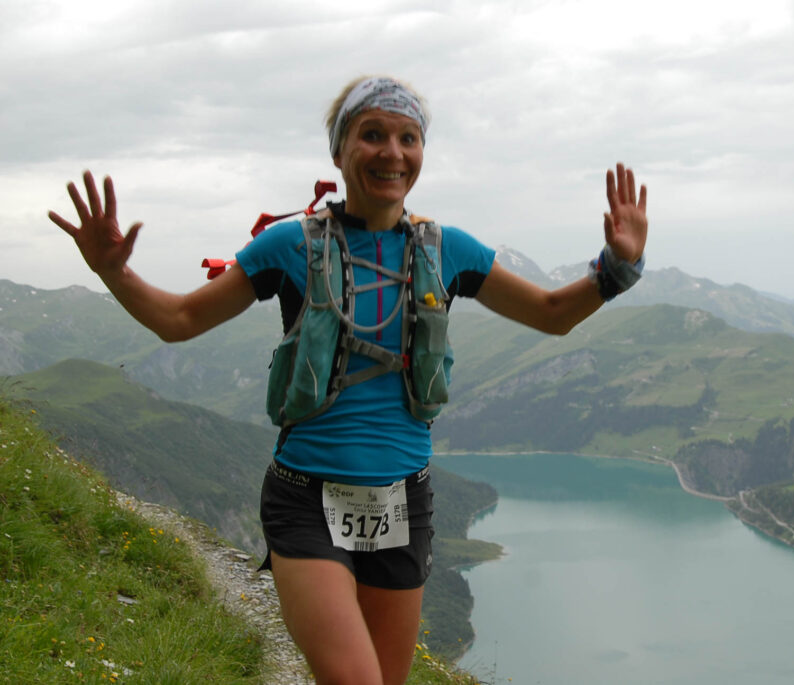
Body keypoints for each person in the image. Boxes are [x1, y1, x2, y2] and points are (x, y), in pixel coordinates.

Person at [48, 75, 648, 685]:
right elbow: (179, 320)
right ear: (339, 151)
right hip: (305, 499)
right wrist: (114, 272)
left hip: (402, 504)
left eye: (408, 138)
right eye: (373, 134)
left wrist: (617, 268)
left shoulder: (449, 251)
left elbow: (551, 314)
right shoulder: (289, 246)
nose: (393, 152)